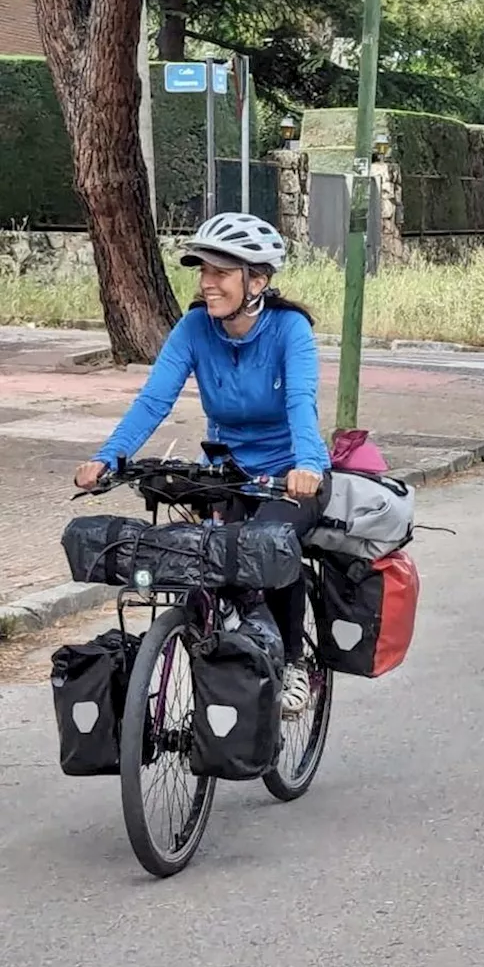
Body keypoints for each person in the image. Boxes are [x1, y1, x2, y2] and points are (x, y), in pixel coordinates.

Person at [74, 212, 331, 716]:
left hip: (288, 475)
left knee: (269, 547)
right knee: (202, 560)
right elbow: (154, 401)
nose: (206, 283)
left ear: (256, 279)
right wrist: (108, 458)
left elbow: (302, 400)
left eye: (220, 272)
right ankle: (218, 648)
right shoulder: (194, 328)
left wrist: (308, 465)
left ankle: (296, 664)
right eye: (202, 271)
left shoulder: (289, 329)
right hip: (227, 472)